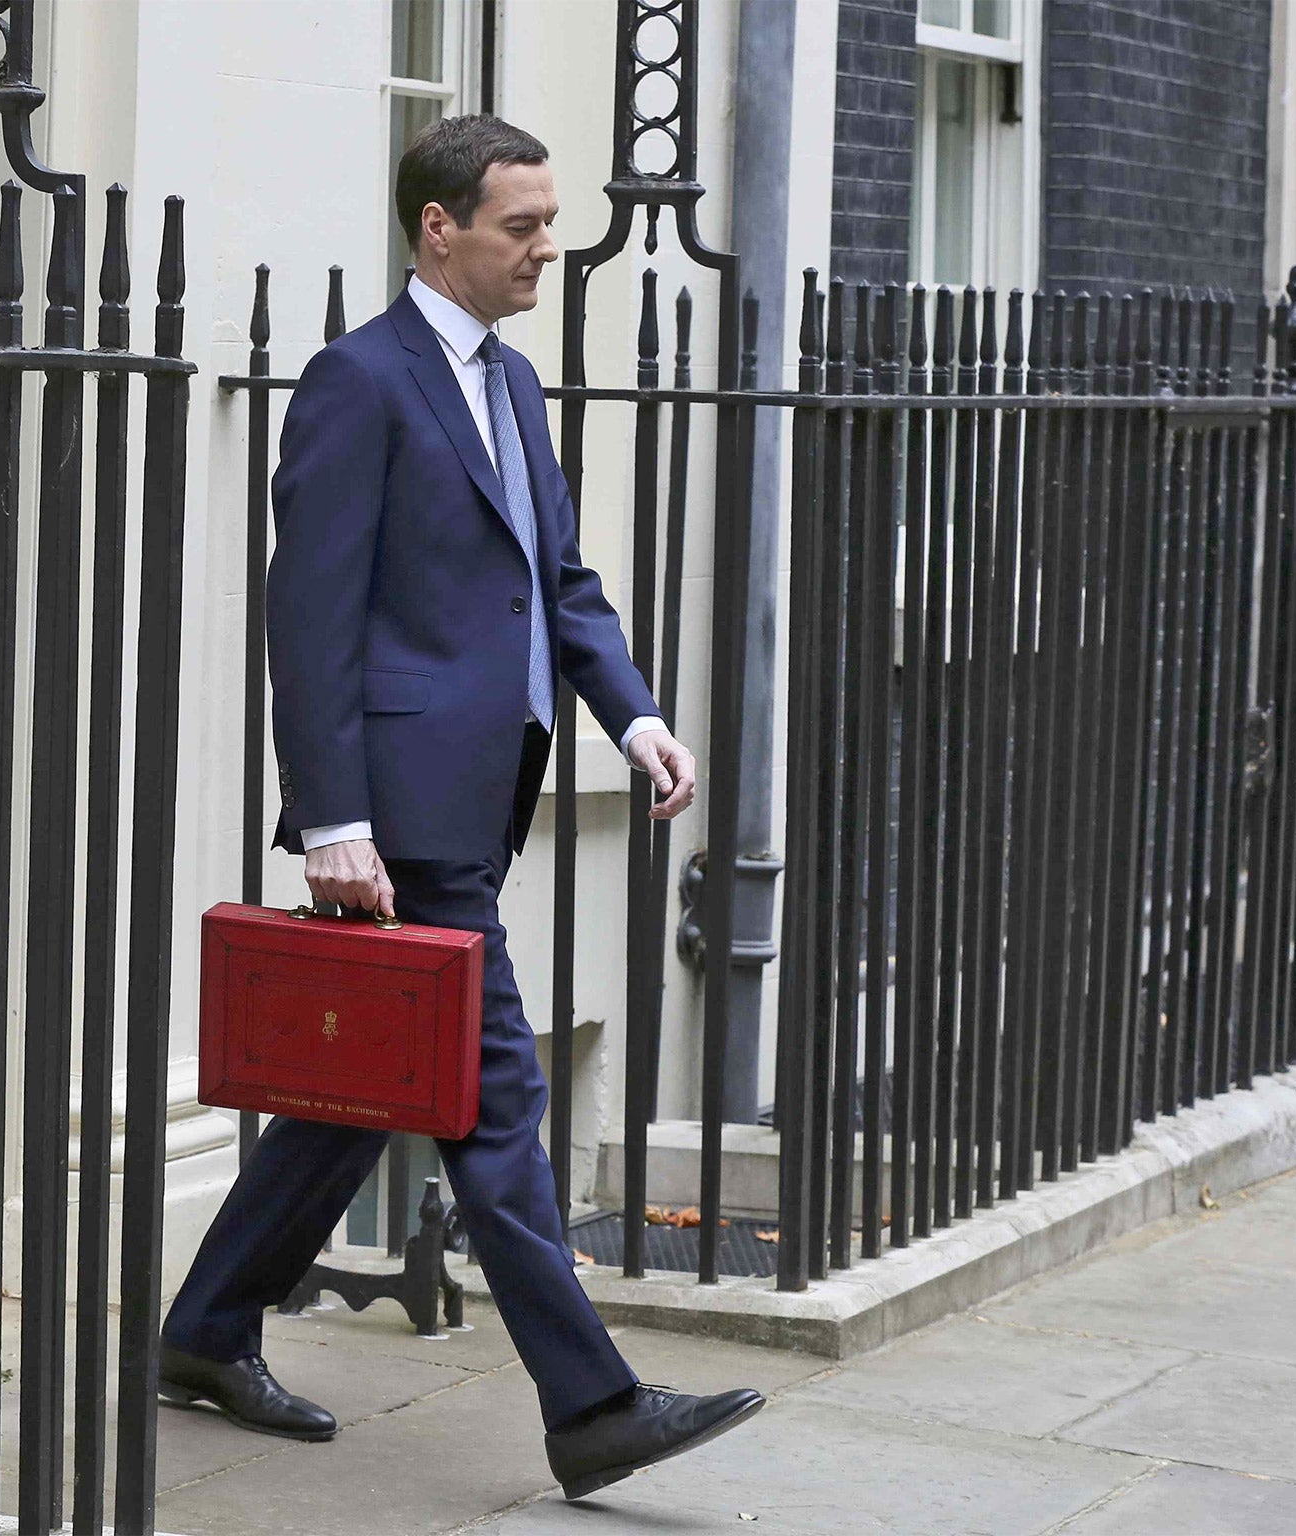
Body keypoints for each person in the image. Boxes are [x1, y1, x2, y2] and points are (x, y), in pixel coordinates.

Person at [158, 114, 762, 1502]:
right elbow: (309, 621)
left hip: (479, 791)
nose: (548, 246)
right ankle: (592, 1404)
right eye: (524, 226)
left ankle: (202, 1330)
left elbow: (557, 580)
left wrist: (639, 714)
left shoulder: (510, 384)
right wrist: (331, 817)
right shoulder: (359, 381)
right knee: (496, 1099)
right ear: (440, 229)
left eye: (550, 222)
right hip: (402, 814)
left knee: (369, 1085)